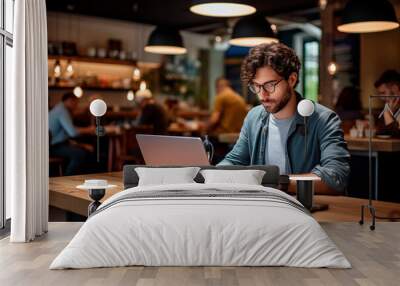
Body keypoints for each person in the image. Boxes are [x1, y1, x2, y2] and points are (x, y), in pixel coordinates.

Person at [218, 43, 350, 193]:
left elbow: (336, 177)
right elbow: (234, 161)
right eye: (256, 86)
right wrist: (211, 175)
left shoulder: (324, 119)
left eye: (270, 85)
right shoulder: (254, 117)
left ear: (292, 80)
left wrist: (278, 182)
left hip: (304, 210)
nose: (263, 95)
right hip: (263, 206)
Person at [49, 92, 95, 175]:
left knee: (85, 149)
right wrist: (89, 129)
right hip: (53, 146)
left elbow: (69, 131)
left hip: (56, 143)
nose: (76, 106)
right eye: (75, 103)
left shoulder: (59, 108)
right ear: (69, 101)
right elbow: (73, 133)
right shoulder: (62, 111)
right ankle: (67, 178)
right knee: (80, 154)